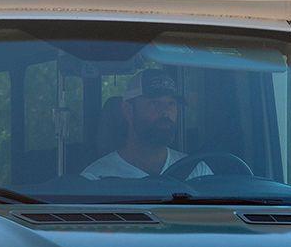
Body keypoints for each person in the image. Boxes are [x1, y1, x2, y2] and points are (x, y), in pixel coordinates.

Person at [82, 68, 212, 180]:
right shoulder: (97, 177)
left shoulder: (197, 171)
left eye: (171, 104)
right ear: (128, 110)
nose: (165, 113)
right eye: (154, 103)